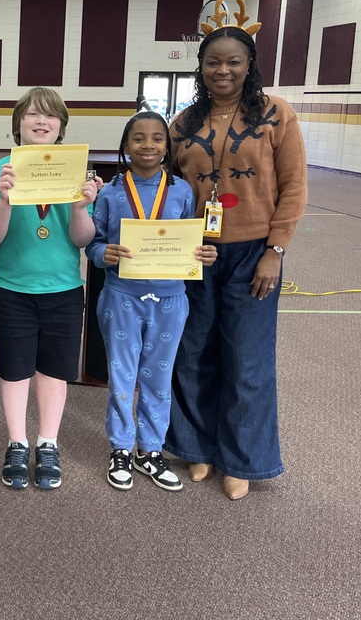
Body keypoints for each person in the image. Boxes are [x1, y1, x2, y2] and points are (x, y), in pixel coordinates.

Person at [166, 2, 307, 501]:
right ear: (200, 68)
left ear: (250, 65)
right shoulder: (183, 123)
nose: (223, 71)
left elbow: (293, 188)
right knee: (194, 353)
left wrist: (276, 249)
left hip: (253, 253)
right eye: (212, 63)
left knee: (246, 360)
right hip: (195, 252)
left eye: (233, 62)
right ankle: (196, 447)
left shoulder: (275, 115)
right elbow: (163, 189)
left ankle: (241, 458)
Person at [84, 111, 217, 492]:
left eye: (157, 138)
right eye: (138, 138)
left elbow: (191, 241)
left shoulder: (182, 191)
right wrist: (100, 254)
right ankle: (122, 448)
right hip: (121, 298)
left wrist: (203, 255)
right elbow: (93, 242)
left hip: (171, 300)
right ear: (126, 146)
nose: (148, 145)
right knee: (122, 378)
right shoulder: (109, 193)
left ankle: (151, 450)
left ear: (167, 145)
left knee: (158, 378)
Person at [0, 87, 100, 490]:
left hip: (63, 289)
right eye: (31, 114)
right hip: (12, 288)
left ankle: (48, 442)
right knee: (14, 370)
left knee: (53, 371)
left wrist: (81, 207)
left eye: (50, 115)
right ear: (18, 124)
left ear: (61, 126)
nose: (41, 121)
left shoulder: (74, 175)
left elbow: (82, 240)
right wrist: (5, 202)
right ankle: (17, 442)